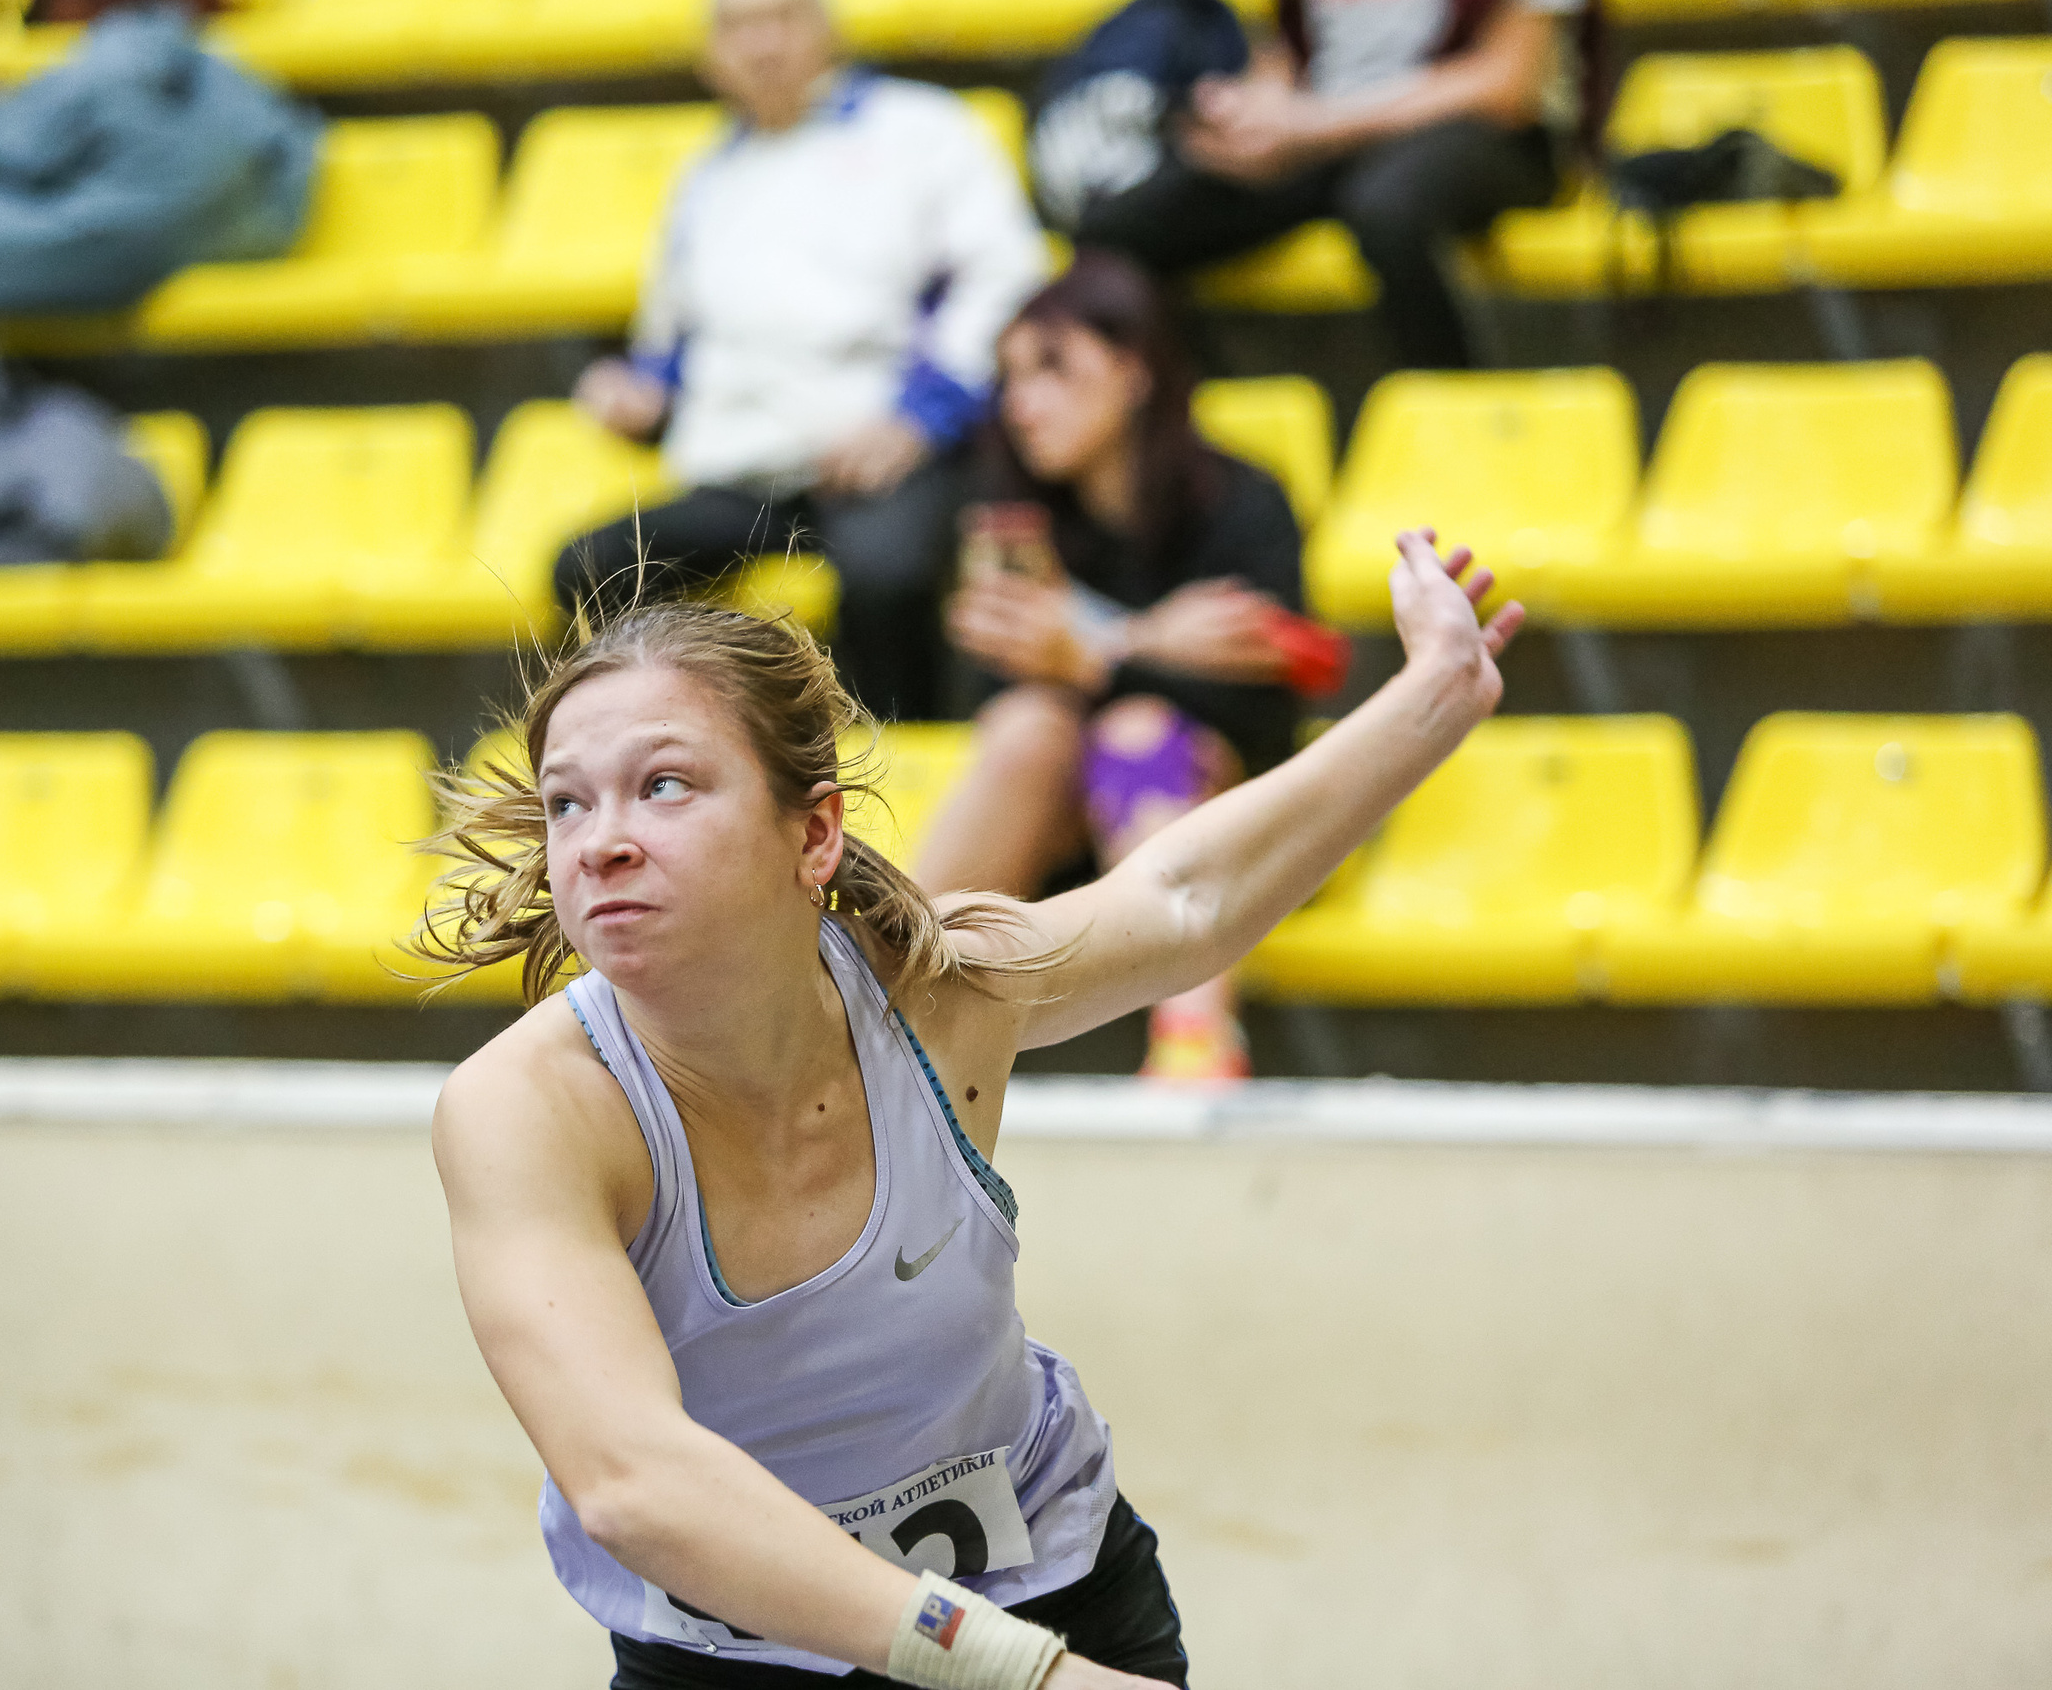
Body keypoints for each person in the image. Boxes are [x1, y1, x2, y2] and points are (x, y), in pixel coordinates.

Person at [422, 529, 1523, 1686]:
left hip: (1053, 1580)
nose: (600, 843)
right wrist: (1023, 1678)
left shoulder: (937, 993)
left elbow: (1186, 897)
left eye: (663, 785)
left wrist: (1438, 693)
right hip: (744, 1656)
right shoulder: (525, 1110)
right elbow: (633, 1482)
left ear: (813, 833)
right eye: (564, 804)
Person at [556, 0, 1051, 721]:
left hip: (886, 453)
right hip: (744, 463)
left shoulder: (924, 132)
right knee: (591, 569)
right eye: (738, 27)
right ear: (711, 55)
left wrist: (917, 419)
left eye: (783, 18)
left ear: (828, 30)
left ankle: (899, 765)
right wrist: (640, 389)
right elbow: (676, 339)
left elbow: (1004, 281)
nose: (763, 44)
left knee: (891, 575)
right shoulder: (708, 174)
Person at [917, 251, 1317, 1081]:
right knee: (1032, 727)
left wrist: (1095, 650)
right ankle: (881, 1000)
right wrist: (1152, 638)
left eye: (1053, 369)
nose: (1022, 402)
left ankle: (1195, 1048)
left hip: (1221, 819)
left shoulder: (1242, 502)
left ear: (1134, 372)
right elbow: (990, 698)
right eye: (1011, 376)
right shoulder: (1012, 519)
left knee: (1138, 732)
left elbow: (1272, 699)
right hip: (1058, 818)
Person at [1074, 0, 1596, 369]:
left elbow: (1510, 85)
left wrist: (1314, 124)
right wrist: (1248, 113)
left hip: (1492, 138)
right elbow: (1288, 57)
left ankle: (1466, 429)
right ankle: (1207, 450)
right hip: (1323, 138)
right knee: (1121, 229)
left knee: (1386, 209)